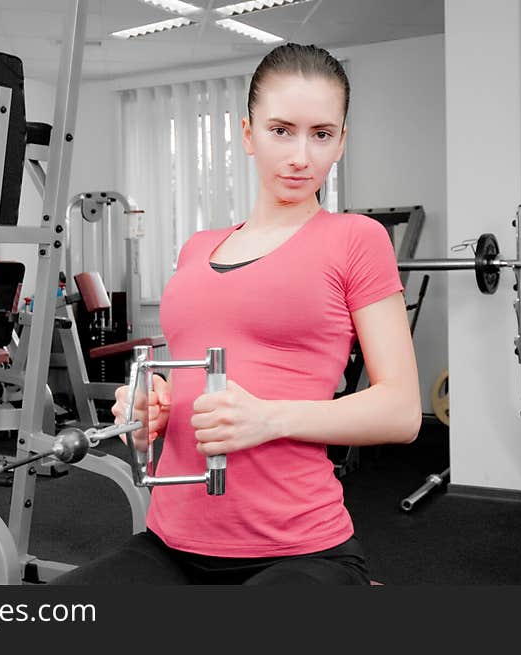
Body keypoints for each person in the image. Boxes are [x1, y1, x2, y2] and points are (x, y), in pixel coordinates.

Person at [53, 43, 421, 585]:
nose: (301, 155)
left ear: (341, 142)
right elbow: (191, 385)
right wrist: (146, 415)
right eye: (280, 130)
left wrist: (270, 418)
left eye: (321, 134)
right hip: (170, 541)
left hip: (299, 549)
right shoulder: (196, 247)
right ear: (247, 134)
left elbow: (402, 411)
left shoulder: (355, 239)